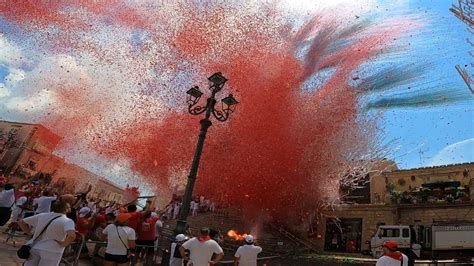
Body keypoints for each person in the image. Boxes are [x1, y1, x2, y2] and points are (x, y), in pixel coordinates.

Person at [17, 200, 76, 266]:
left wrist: (30, 233)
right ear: (66, 209)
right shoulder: (67, 221)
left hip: (35, 246)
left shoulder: (43, 215)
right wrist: (64, 244)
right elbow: (72, 235)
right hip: (52, 250)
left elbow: (21, 222)